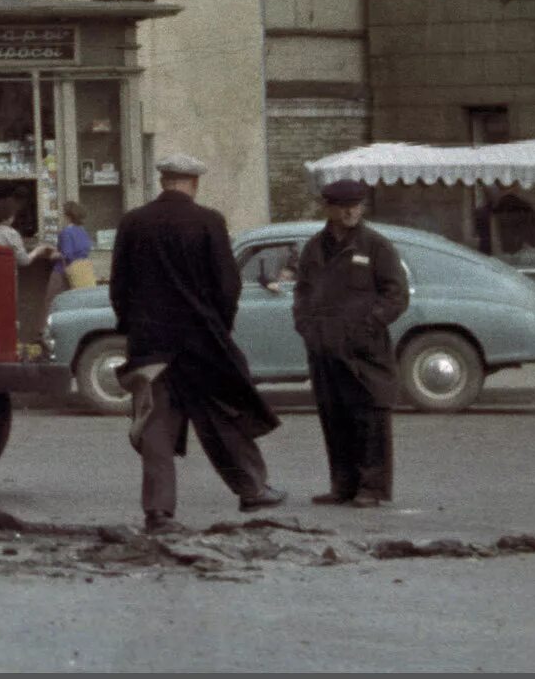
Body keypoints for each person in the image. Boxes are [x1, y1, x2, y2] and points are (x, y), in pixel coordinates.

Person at [107, 150, 285, 531]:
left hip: (150, 342)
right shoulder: (208, 222)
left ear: (162, 181)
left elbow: (119, 286)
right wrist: (219, 327)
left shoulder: (133, 222)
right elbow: (227, 285)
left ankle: (158, 510)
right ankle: (252, 490)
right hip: (201, 341)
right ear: (194, 183)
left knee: (155, 424)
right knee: (221, 413)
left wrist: (133, 326)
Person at [292, 177, 411, 508]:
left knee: (369, 417)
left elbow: (396, 294)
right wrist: (305, 325)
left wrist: (370, 323)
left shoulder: (376, 246)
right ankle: (342, 485)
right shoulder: (314, 247)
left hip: (364, 349)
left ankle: (372, 489)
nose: (350, 213)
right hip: (325, 348)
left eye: (355, 206)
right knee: (334, 416)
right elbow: (302, 291)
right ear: (328, 208)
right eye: (343, 207)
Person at [54, 201, 98, 291]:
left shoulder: (66, 232)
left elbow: (67, 255)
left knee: (51, 300)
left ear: (68, 217)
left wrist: (53, 255)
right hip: (82, 271)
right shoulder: (83, 231)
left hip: (64, 271)